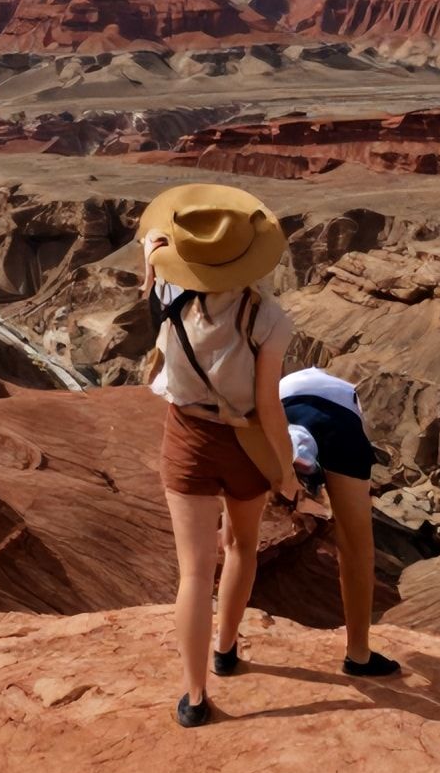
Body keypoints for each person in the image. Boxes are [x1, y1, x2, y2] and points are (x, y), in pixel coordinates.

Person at [140, 183, 300, 729]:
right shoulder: (270, 318)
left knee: (192, 573)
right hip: (245, 443)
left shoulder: (168, 294)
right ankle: (227, 650)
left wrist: (154, 253)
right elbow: (268, 406)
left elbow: (154, 258)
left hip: (186, 437)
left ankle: (194, 697)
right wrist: (286, 472)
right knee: (243, 547)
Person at [279, 367, 401, 678]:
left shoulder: (290, 378)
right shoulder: (352, 401)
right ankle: (358, 655)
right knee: (356, 545)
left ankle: (225, 646)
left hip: (282, 406)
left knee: (242, 538)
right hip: (341, 419)